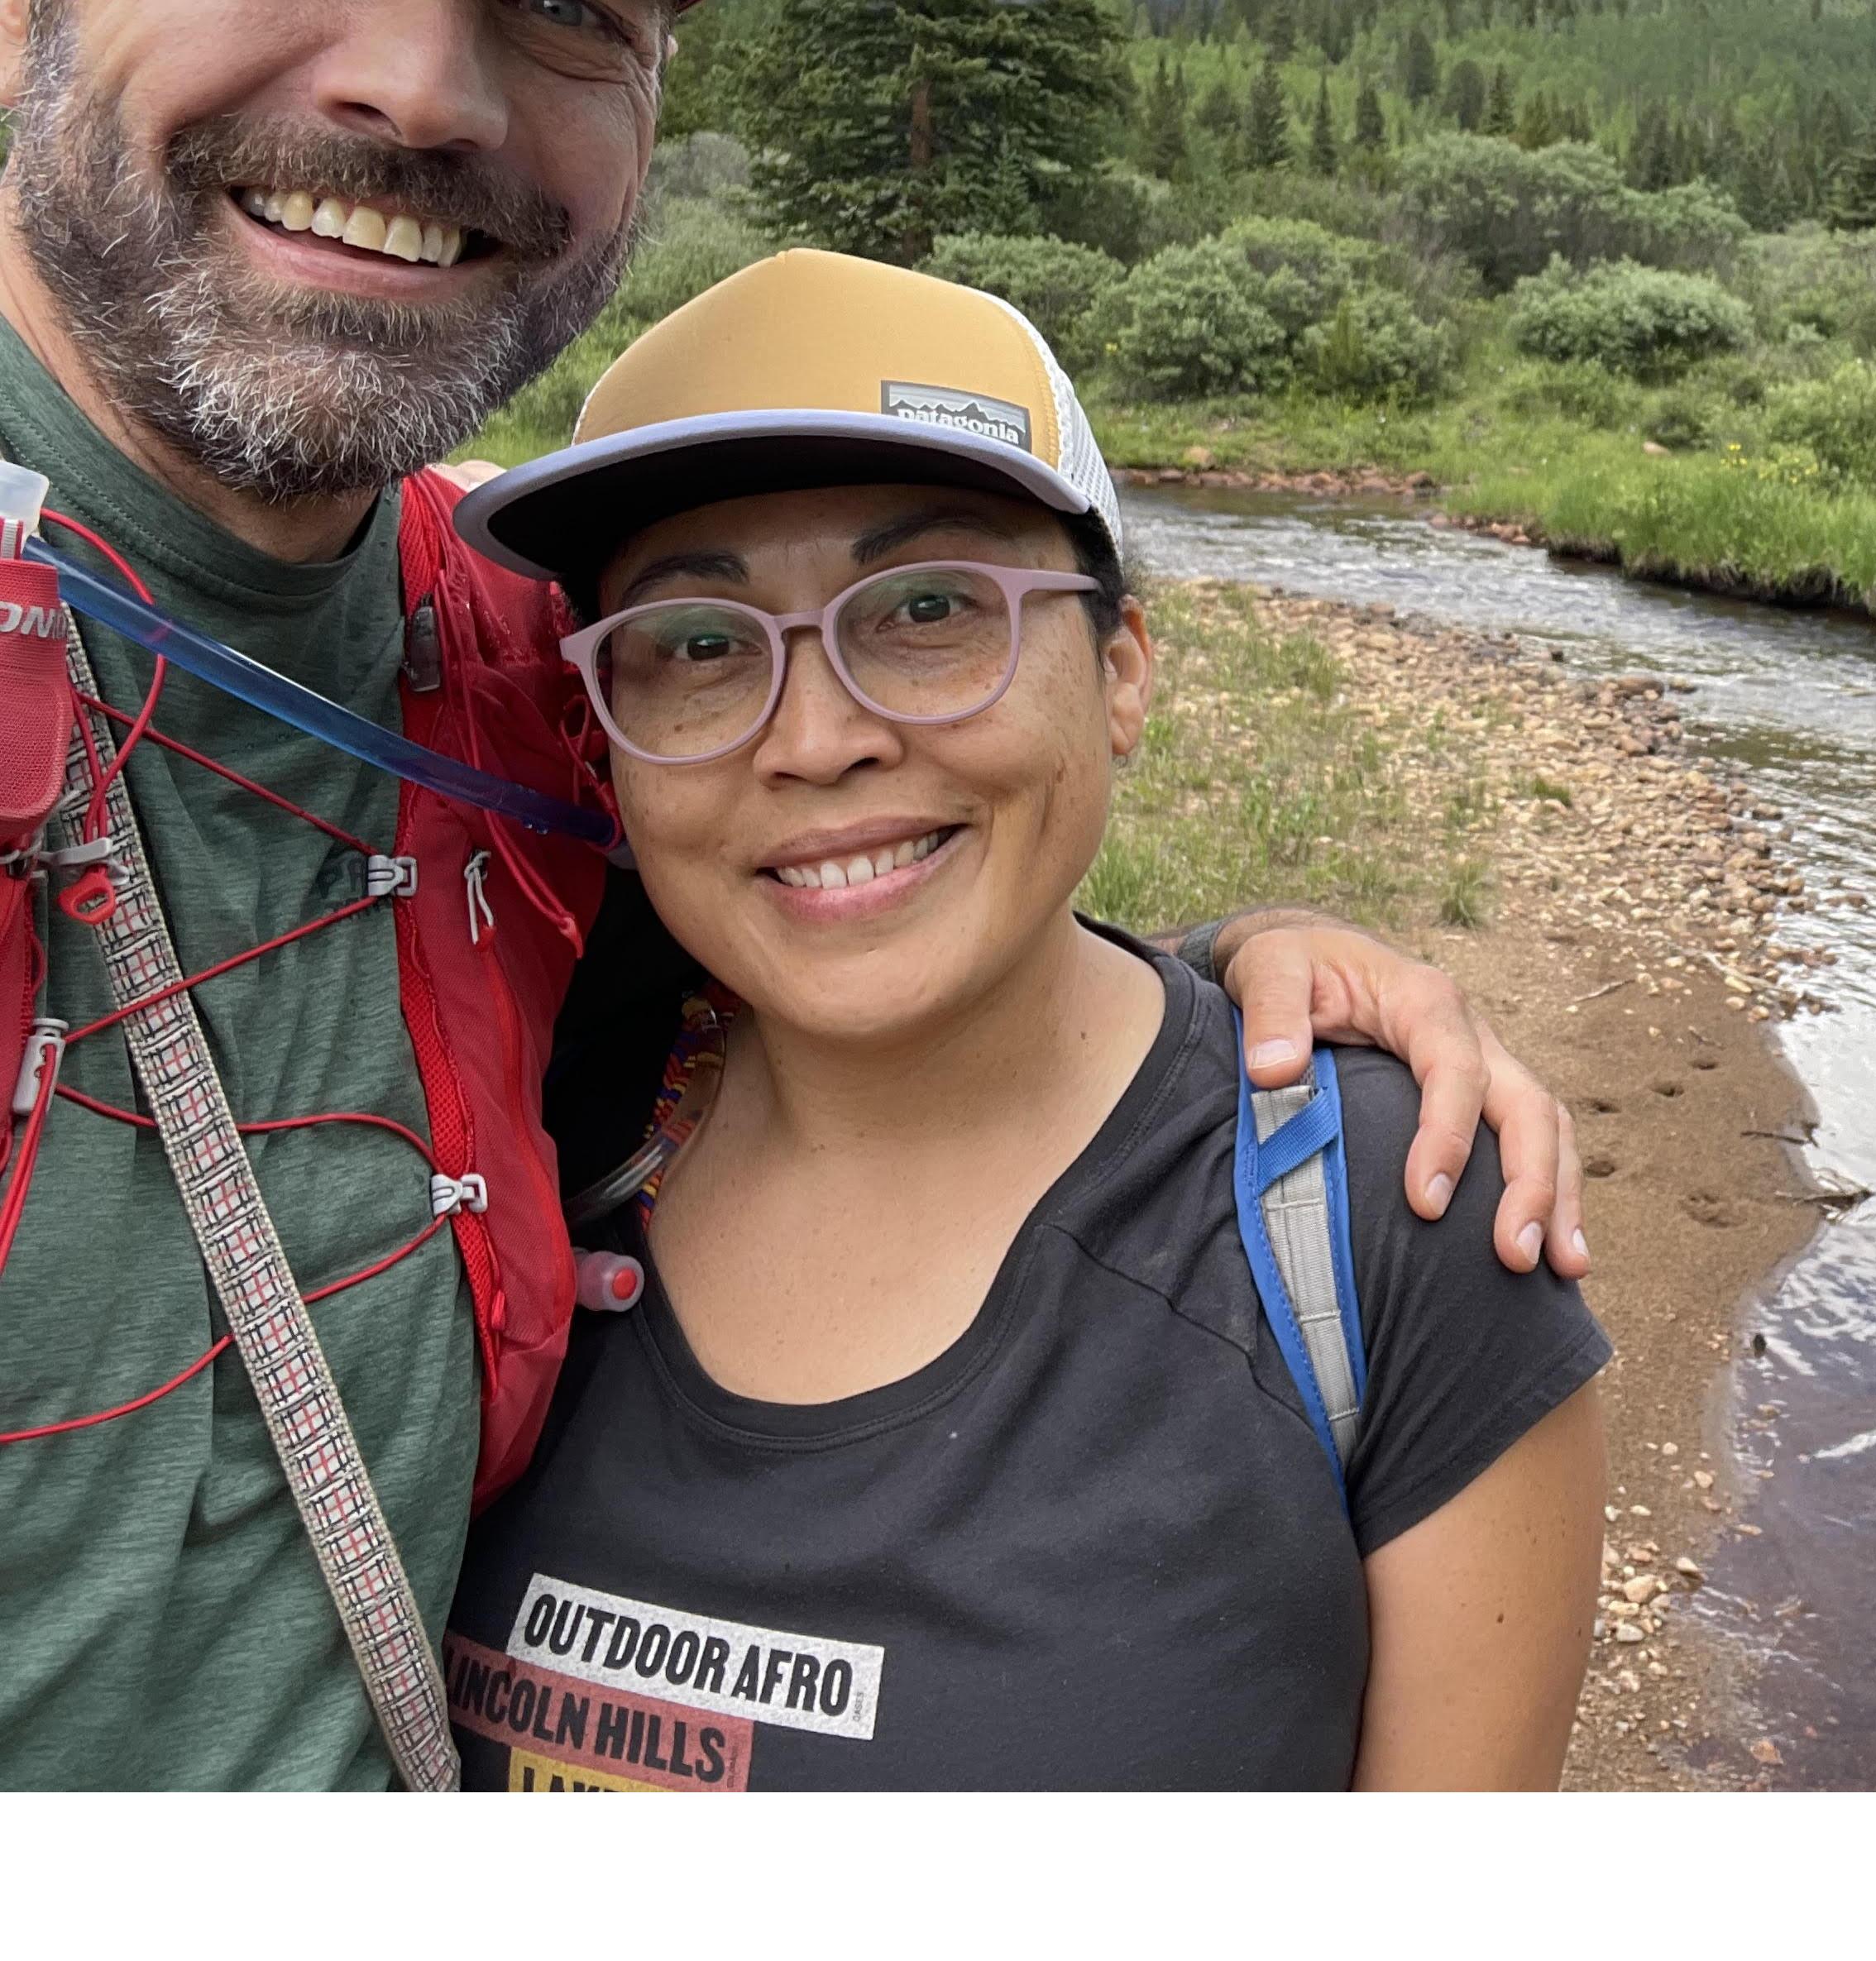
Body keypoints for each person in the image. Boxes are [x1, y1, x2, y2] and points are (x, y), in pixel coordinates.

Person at [0, 0, 1586, 1791]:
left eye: (568, 1)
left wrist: (1241, 996)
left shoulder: (512, 671)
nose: (424, 89)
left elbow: (872, 843)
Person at [443, 249, 1607, 1786]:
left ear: (1121, 673)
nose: (817, 740)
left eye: (930, 610)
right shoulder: (514, 1128)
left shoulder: (1391, 1224)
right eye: (701, 646)